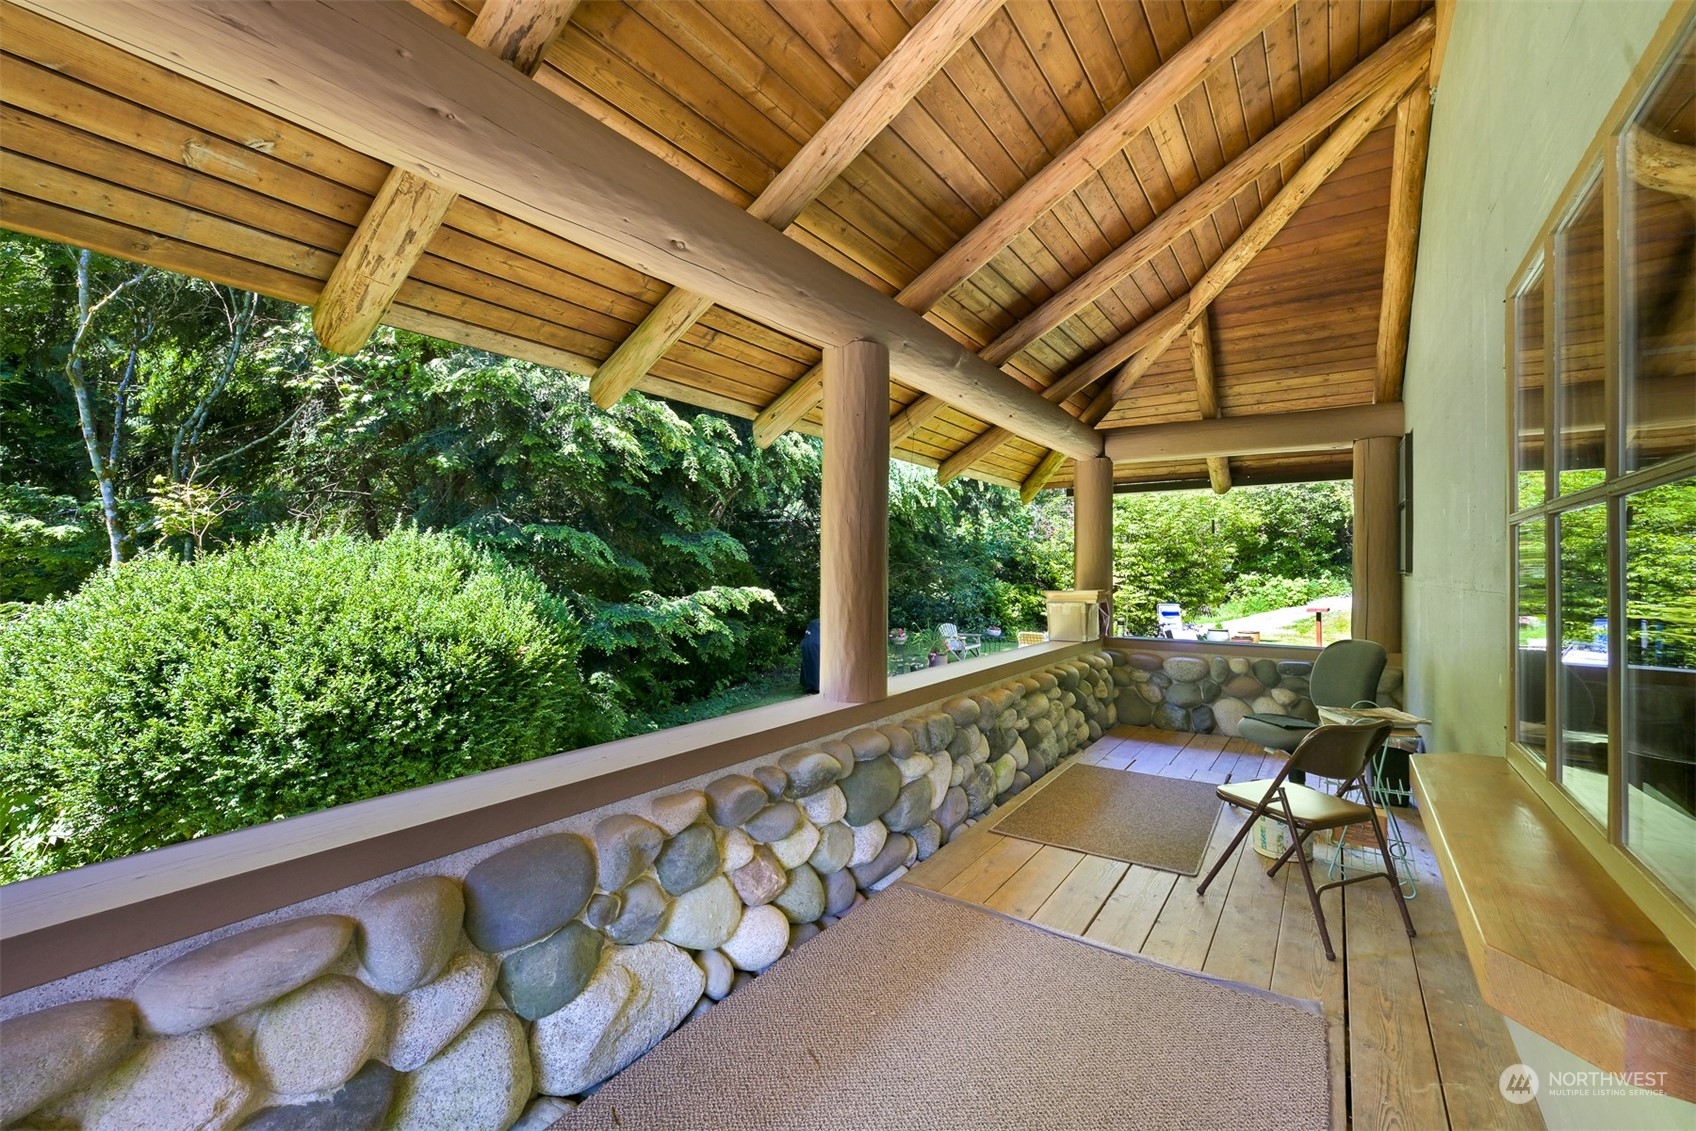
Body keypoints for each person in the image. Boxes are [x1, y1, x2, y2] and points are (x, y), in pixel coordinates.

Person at [799, 619, 821, 693]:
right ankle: (815, 686)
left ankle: (810, 685)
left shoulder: (814, 623)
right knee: (816, 665)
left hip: (807, 644)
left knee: (810, 665)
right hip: (816, 645)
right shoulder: (818, 623)